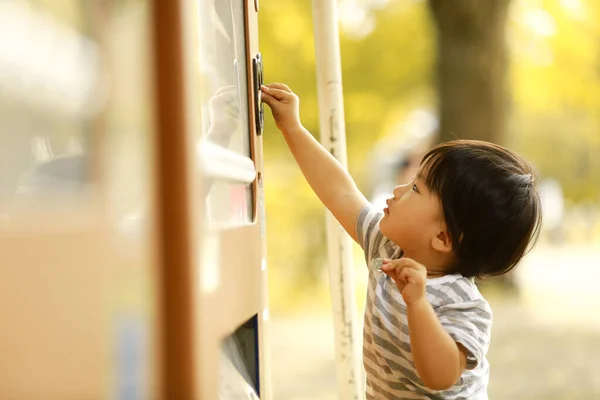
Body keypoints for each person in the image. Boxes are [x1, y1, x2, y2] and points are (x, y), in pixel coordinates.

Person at [260, 83, 542, 399]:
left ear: (443, 237)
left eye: (416, 189)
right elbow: (340, 191)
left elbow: (440, 376)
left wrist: (418, 304)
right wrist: (292, 128)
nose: (398, 189)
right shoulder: (386, 247)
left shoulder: (462, 304)